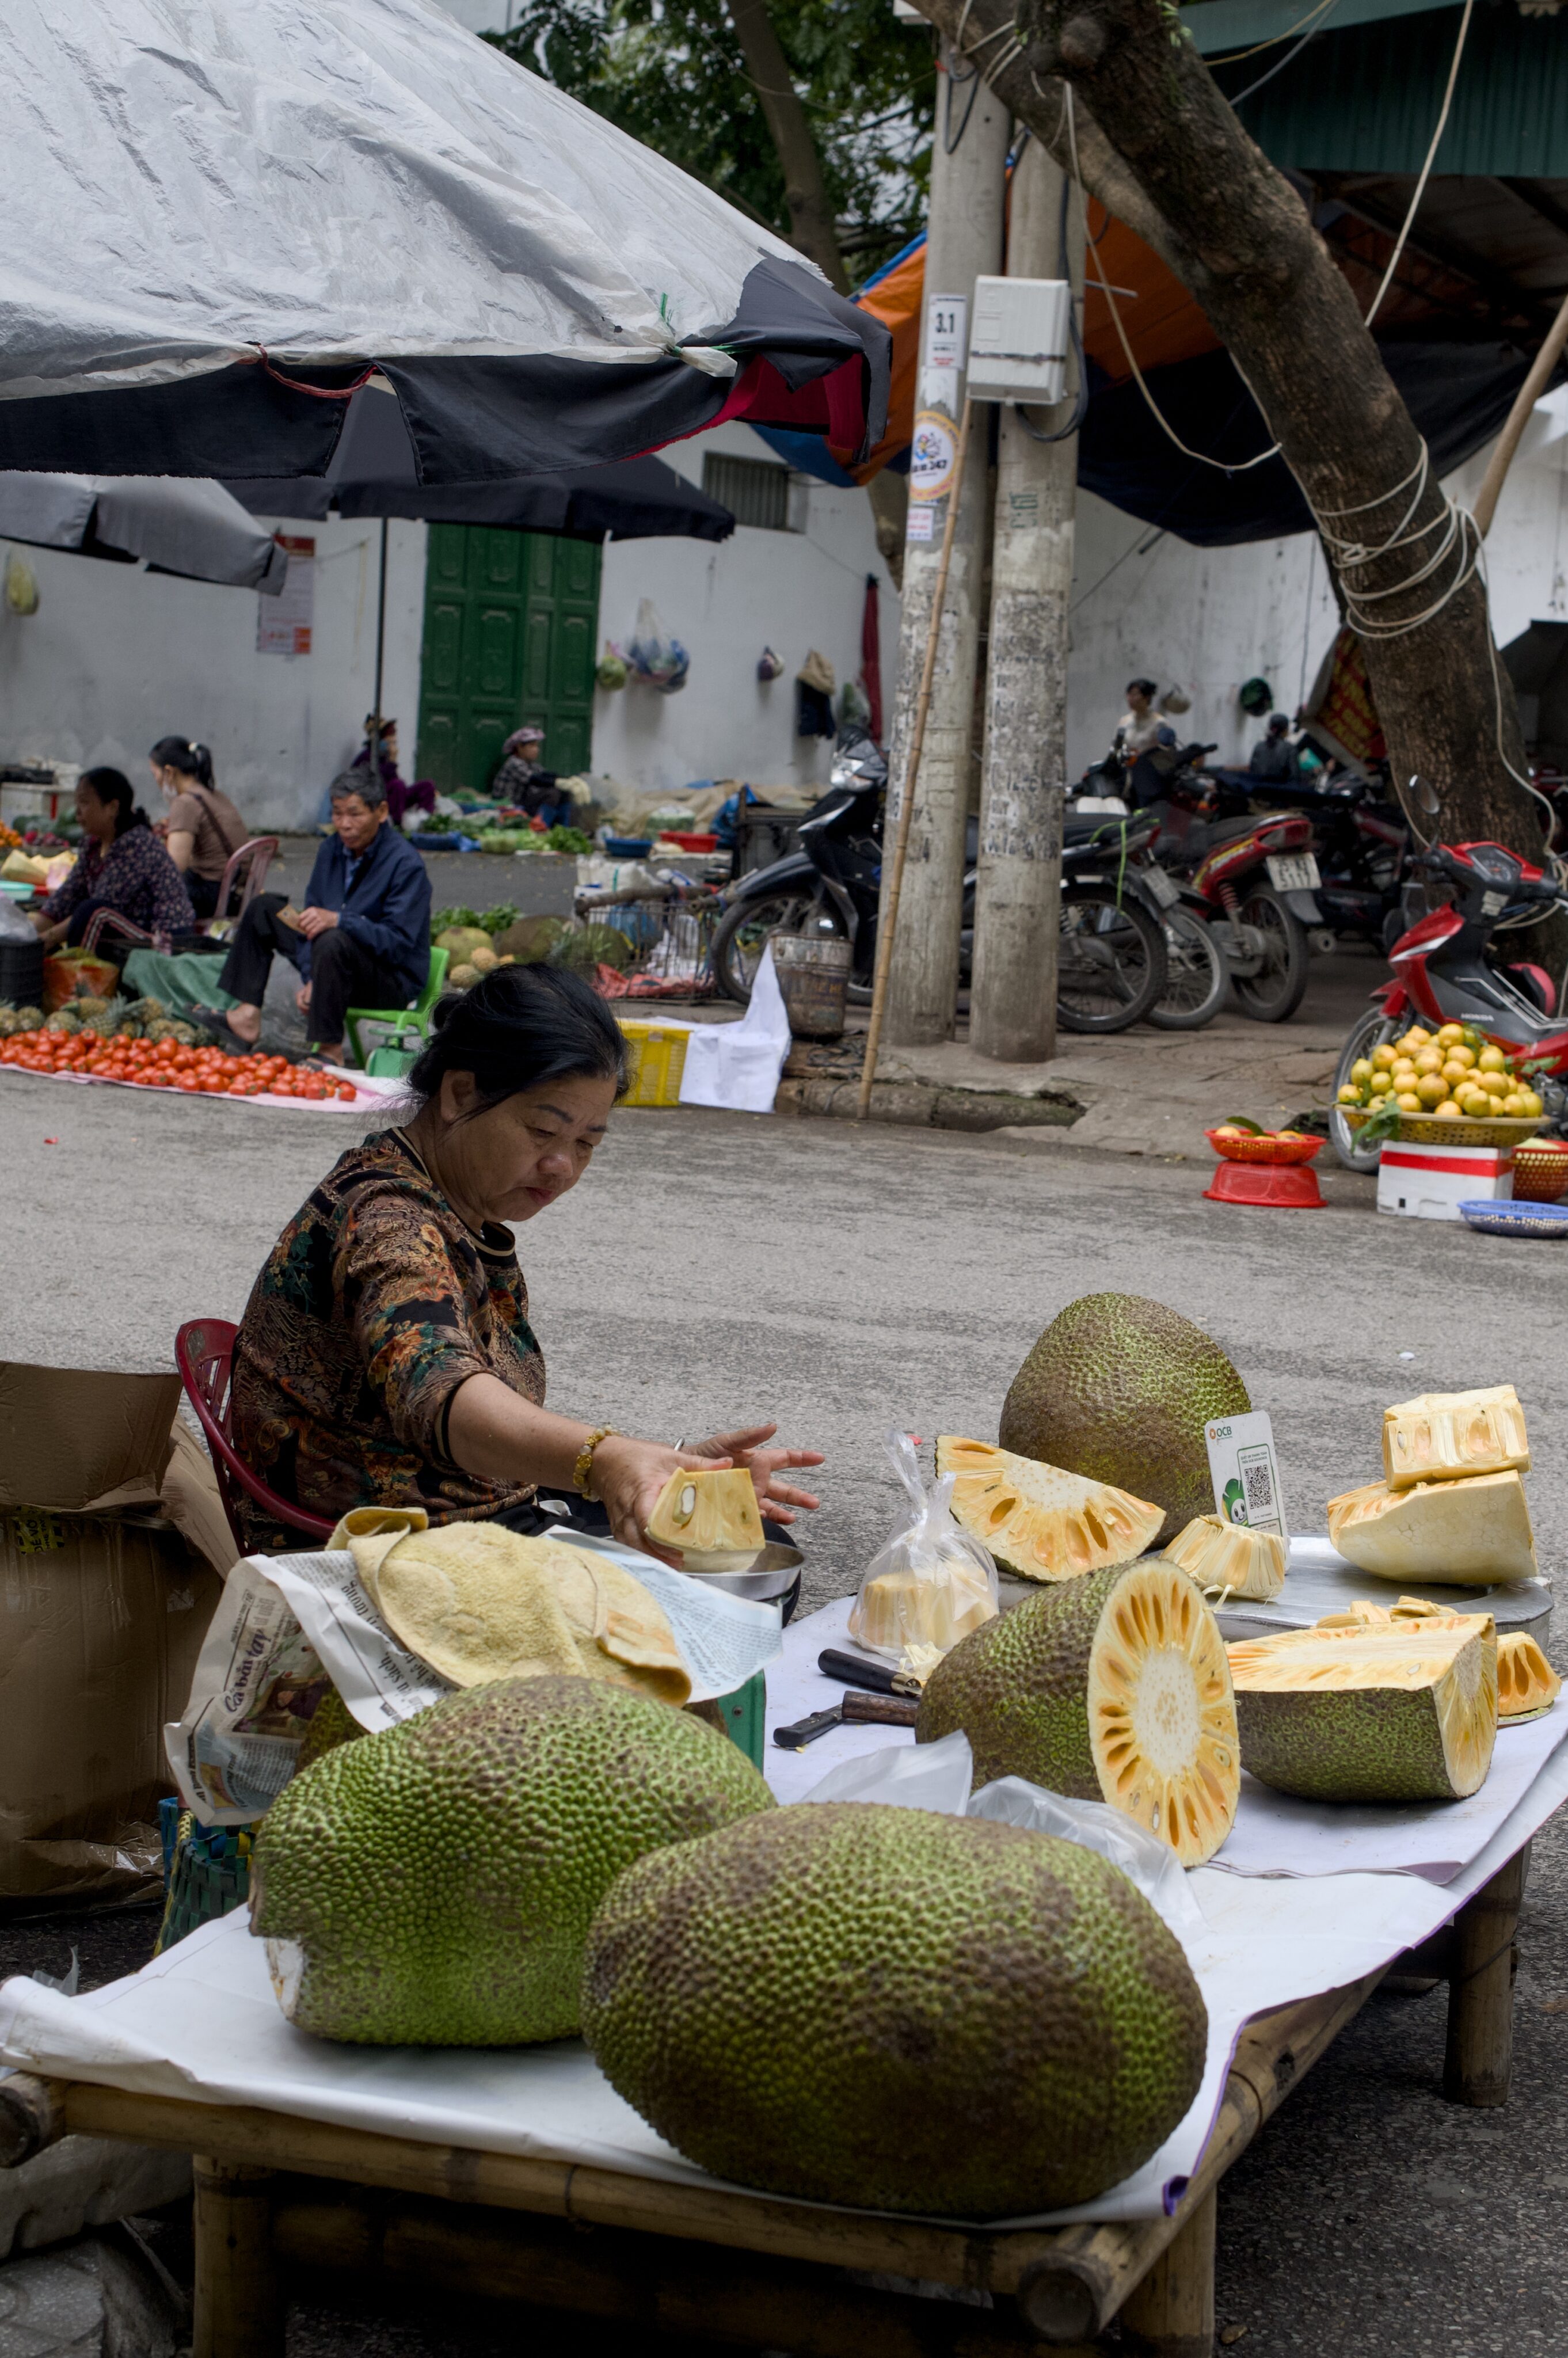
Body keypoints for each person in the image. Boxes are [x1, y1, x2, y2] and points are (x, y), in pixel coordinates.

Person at [230, 963, 822, 1558]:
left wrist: (657, 1464)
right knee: (728, 1572)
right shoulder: (391, 1223)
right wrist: (607, 1461)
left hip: (471, 1513)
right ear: (461, 1094)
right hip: (394, 1547)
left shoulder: (442, 1199)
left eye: (586, 1143)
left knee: (743, 1541)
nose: (563, 1165)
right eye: (543, 1130)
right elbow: (437, 1387)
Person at [193, 774, 430, 1060]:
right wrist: (313, 977)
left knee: (333, 937)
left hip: (388, 979)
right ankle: (246, 1018)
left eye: (355, 814)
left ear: (381, 812)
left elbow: (398, 943)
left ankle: (330, 1050)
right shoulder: (331, 849)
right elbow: (310, 922)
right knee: (264, 909)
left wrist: (341, 921)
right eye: (338, 813)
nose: (344, 824)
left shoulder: (405, 864)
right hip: (331, 958)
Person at [31, 769, 195, 949]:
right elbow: (67, 895)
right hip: (126, 928)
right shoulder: (92, 846)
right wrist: (29, 933)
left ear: (112, 808)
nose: (78, 812)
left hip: (163, 938)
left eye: (84, 803)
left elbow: (99, 908)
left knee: (91, 912)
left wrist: (43, 941)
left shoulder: (136, 846)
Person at [149, 737, 248, 919]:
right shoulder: (214, 795)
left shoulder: (185, 803)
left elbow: (175, 867)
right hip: (234, 889)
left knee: (145, 890)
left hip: (212, 895)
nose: (156, 781)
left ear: (169, 772)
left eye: (155, 774)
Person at [351, 717, 435, 830]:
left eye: (393, 735)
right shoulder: (366, 757)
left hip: (394, 797)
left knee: (427, 786)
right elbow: (378, 783)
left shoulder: (385, 755)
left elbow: (393, 779)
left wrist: (392, 761)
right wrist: (392, 762)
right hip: (376, 801)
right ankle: (397, 823)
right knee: (398, 785)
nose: (394, 739)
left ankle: (422, 820)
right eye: (389, 736)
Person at [492, 725, 573, 828]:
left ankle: (563, 828)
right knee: (552, 794)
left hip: (524, 803)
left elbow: (546, 776)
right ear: (520, 747)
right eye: (532, 746)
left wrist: (569, 781)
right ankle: (540, 828)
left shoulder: (532, 765)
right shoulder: (514, 763)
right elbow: (534, 779)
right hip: (510, 805)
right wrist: (558, 783)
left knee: (564, 791)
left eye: (537, 746)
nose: (536, 750)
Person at [1249, 713, 1301, 784]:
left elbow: (1253, 770)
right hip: (1279, 789)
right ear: (1285, 730)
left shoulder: (1259, 746)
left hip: (1257, 788)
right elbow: (1294, 776)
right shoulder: (1290, 749)